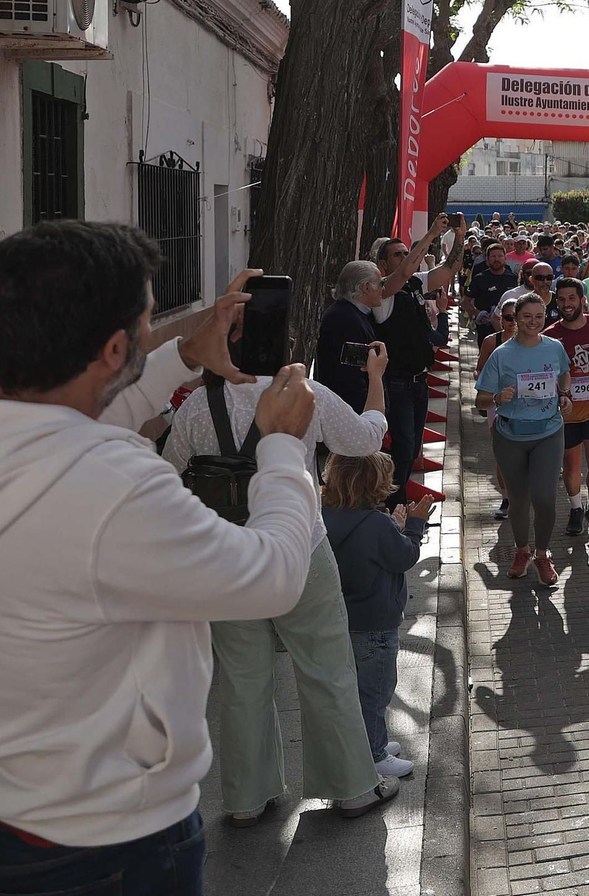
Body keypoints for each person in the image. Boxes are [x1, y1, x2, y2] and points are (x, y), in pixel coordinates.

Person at [0, 222, 328, 893]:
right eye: (145, 331)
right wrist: (285, 449)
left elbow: (56, 432)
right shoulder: (113, 488)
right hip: (112, 845)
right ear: (116, 347)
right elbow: (273, 574)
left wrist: (180, 353)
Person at [164, 333, 407, 823]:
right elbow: (365, 441)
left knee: (242, 678)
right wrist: (375, 383)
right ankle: (352, 787)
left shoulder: (195, 406)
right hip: (301, 546)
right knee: (326, 667)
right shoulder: (305, 393)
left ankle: (247, 798)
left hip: (224, 554)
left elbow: (169, 473)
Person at [321, 454, 432, 779]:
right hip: (377, 625)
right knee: (377, 692)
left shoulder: (329, 517)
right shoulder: (375, 523)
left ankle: (372, 741)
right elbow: (404, 557)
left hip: (346, 620)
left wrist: (394, 527)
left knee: (357, 690)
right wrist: (414, 526)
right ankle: (374, 754)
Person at [474, 294, 573, 586]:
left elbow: (565, 374)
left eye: (539, 316)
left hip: (548, 431)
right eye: (527, 316)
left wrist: (564, 395)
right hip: (510, 434)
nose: (533, 322)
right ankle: (521, 552)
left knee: (544, 498)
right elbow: (479, 399)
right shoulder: (502, 354)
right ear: (515, 318)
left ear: (546, 317)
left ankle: (542, 554)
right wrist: (496, 397)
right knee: (518, 499)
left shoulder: (554, 347)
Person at [372, 217, 464, 504]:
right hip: (397, 383)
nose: (405, 258)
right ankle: (394, 506)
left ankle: (397, 502)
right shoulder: (383, 290)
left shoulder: (414, 282)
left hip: (419, 381)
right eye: (397, 254)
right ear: (383, 264)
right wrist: (433, 234)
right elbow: (406, 270)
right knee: (403, 448)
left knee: (411, 450)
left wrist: (459, 237)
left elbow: (449, 269)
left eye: (404, 252)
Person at [545, 278, 589, 538]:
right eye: (562, 299)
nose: (566, 304)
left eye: (571, 298)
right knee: (571, 466)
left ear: (582, 300)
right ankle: (576, 508)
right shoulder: (550, 335)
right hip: (567, 414)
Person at [316, 260, 386, 412]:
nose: (383, 289)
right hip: (351, 414)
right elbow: (350, 378)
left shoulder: (353, 314)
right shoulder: (344, 318)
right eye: (380, 284)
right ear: (366, 287)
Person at [479, 300, 518, 520]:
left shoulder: (536, 342)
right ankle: (506, 498)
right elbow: (479, 371)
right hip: (498, 404)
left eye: (515, 317)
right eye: (508, 318)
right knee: (502, 453)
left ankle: (522, 495)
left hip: (528, 406)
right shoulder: (490, 342)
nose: (512, 323)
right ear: (500, 318)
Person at [466, 241, 516, 339]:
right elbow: (465, 302)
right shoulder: (479, 278)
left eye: (500, 256)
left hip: (509, 328)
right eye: (493, 256)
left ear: (505, 258)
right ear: (487, 259)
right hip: (486, 329)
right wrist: (478, 313)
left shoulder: (513, 278)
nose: (496, 259)